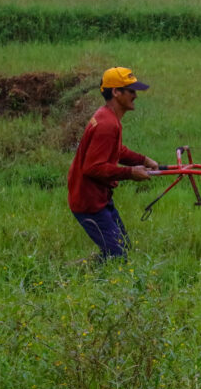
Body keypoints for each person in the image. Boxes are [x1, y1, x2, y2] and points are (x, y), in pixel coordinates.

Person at [67, 67, 158, 260]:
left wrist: (143, 160)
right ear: (116, 92)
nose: (135, 95)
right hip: (89, 202)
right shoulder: (107, 124)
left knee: (122, 247)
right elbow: (93, 168)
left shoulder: (107, 117)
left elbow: (116, 151)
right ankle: (81, 274)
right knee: (118, 255)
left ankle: (87, 267)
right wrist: (130, 172)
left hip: (99, 197)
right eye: (131, 90)